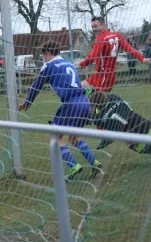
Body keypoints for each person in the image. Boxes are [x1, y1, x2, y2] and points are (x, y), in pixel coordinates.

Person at [18, 41, 100, 182]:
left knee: (55, 137)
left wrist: (27, 103)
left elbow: (36, 86)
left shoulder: (49, 66)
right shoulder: (68, 63)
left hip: (71, 103)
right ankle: (94, 162)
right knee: (73, 137)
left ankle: (74, 166)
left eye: (43, 55)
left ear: (48, 53)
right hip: (84, 101)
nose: (43, 58)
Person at [79, 17, 149, 93]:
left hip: (104, 76)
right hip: (106, 75)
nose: (94, 29)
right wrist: (142, 58)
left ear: (103, 25)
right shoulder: (117, 36)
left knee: (92, 97)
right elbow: (129, 48)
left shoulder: (101, 38)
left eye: (96, 26)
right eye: (92, 27)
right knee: (82, 89)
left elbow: (92, 57)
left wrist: (81, 64)